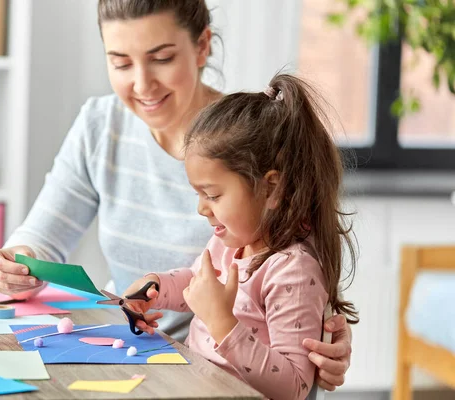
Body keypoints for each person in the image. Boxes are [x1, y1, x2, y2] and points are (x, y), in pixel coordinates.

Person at [0, 0, 352, 391]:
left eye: (161, 58)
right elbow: (42, 240)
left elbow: (303, 264)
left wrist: (325, 334)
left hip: (215, 378)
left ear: (202, 45)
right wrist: (15, 264)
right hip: (147, 360)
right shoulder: (100, 125)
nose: (142, 84)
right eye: (121, 63)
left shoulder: (252, 142)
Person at [122, 75, 359, 399]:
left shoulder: (293, 271)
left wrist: (222, 323)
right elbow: (196, 281)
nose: (201, 209)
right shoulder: (228, 242)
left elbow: (293, 386)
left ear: (271, 188)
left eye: (213, 195)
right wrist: (155, 287)